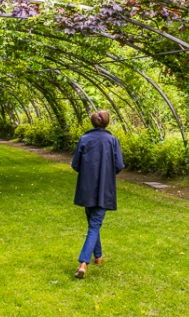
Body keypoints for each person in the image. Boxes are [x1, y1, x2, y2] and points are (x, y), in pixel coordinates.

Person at [70, 110, 125, 279]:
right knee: (94, 225)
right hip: (103, 190)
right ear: (107, 123)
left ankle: (98, 257)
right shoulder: (112, 141)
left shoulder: (84, 139)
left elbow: (75, 164)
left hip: (87, 188)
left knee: (93, 223)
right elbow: (119, 165)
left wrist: (87, 173)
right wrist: (107, 175)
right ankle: (83, 263)